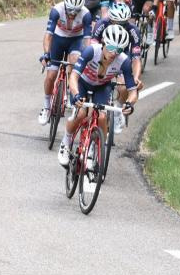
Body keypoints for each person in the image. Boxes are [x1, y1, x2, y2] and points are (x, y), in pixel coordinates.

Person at [58, 25, 138, 170]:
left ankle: (95, 147)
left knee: (101, 118)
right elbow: (74, 76)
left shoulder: (124, 61)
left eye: (119, 49)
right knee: (81, 113)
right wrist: (76, 94)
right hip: (82, 83)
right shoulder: (91, 51)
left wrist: (129, 104)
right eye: (112, 47)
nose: (114, 53)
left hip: (102, 86)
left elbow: (133, 91)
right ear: (104, 43)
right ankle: (66, 141)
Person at [38, 0, 94, 126]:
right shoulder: (57, 10)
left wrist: (86, 58)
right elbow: (48, 35)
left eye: (76, 11)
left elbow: (87, 40)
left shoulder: (86, 14)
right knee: (51, 75)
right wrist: (46, 54)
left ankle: (71, 93)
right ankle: (46, 106)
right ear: (65, 5)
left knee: (75, 63)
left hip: (76, 40)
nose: (73, 14)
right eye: (70, 10)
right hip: (58, 38)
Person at [88, 2, 142, 134]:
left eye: (123, 23)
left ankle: (118, 109)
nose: (120, 27)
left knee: (124, 87)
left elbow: (136, 58)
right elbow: (93, 48)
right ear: (110, 19)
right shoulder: (101, 24)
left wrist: (135, 78)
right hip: (104, 55)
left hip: (122, 57)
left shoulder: (133, 30)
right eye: (116, 23)